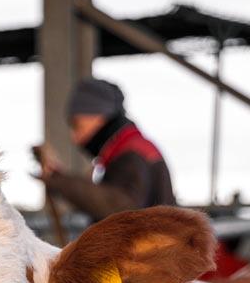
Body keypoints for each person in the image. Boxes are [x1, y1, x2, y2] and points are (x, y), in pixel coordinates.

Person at [37, 77, 176, 220]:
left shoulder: (131, 155)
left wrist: (60, 181)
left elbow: (119, 208)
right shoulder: (136, 148)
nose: (75, 138)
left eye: (77, 125)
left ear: (99, 116)